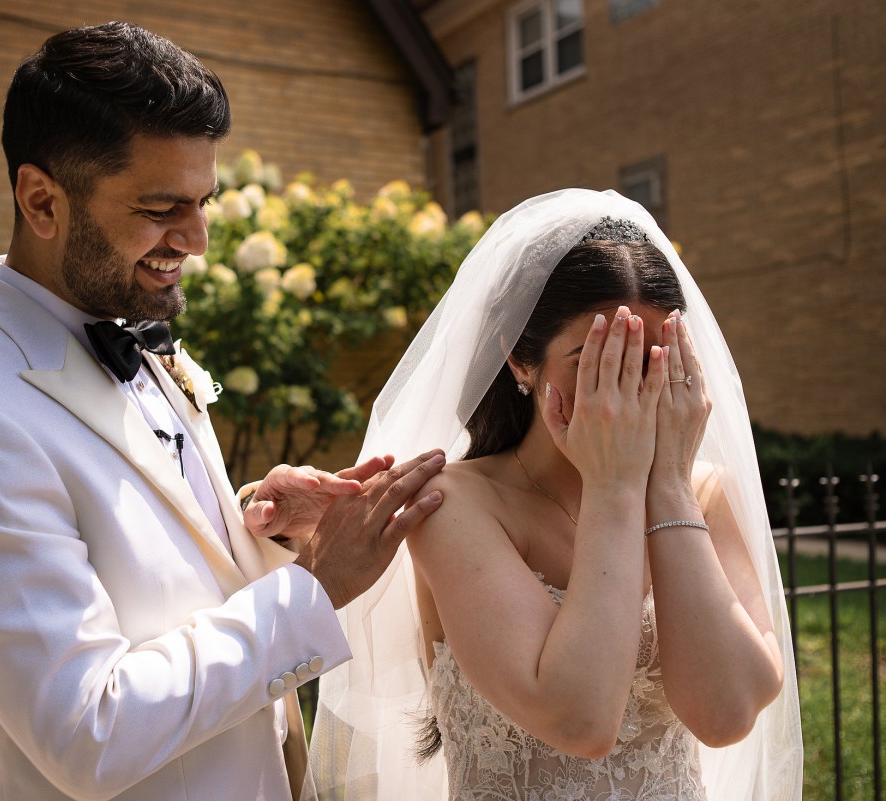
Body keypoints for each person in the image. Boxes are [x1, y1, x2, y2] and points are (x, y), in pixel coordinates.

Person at [0, 22, 445, 801]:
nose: (199, 239)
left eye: (203, 202)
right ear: (42, 201)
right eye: (160, 207)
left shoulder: (133, 332)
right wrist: (312, 588)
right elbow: (89, 730)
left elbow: (157, 564)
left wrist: (262, 526)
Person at [307, 189, 803, 801]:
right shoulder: (456, 504)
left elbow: (725, 716)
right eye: (597, 360)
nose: (631, 388)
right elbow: (579, 720)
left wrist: (669, 485)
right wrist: (615, 485)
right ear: (521, 362)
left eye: (654, 357)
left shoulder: (701, 492)